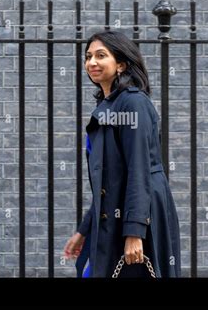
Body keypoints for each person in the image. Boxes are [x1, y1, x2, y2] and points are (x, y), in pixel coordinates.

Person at [63, 30, 181, 278]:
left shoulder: (133, 103)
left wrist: (135, 233)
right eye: (88, 56)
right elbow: (108, 181)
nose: (91, 62)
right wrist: (84, 229)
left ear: (121, 64)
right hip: (114, 215)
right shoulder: (108, 105)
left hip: (139, 216)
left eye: (101, 55)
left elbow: (139, 170)